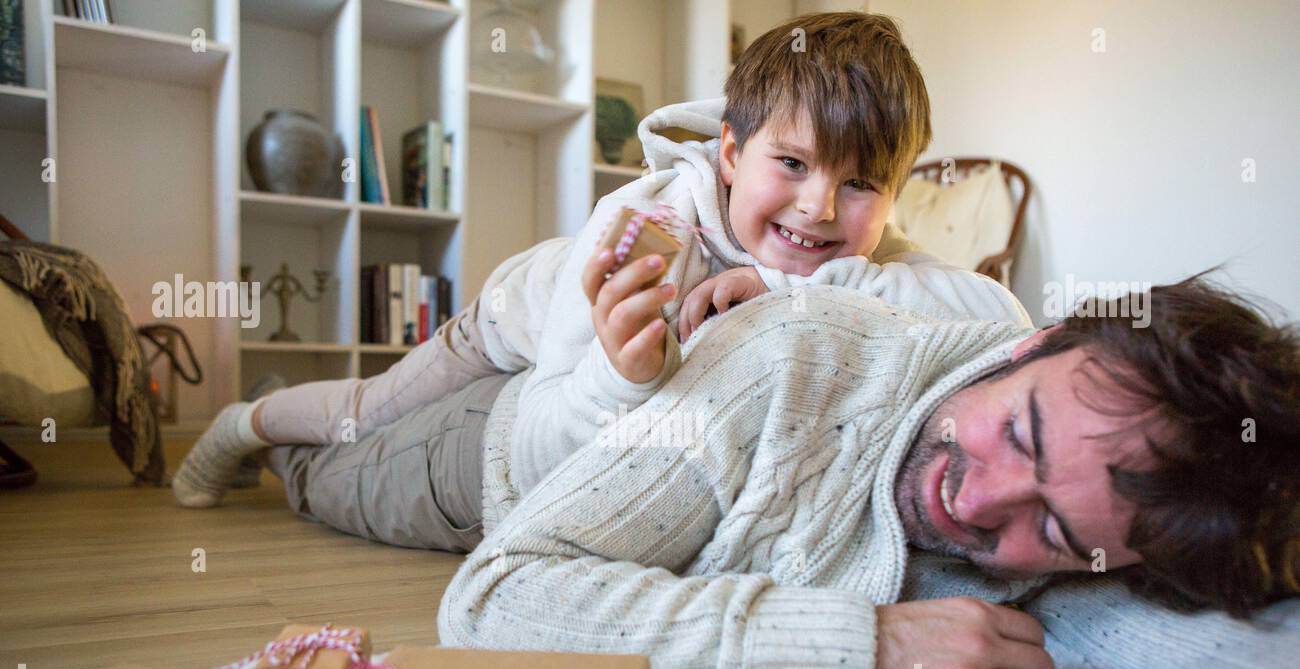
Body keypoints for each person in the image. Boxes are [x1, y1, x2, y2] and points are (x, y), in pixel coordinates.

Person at [172, 11, 1029, 509]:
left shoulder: (868, 253)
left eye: (861, 184)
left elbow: (1004, 322)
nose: (818, 207)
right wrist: (621, 373)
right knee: (370, 410)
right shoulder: (652, 221)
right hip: (511, 321)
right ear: (730, 152)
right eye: (793, 165)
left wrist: (776, 285)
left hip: (558, 358)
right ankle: (246, 423)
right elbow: (550, 419)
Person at [431, 272, 1300, 669]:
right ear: (1033, 343)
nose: (981, 502)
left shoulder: (1121, 516)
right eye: (1021, 433)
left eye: (1053, 527)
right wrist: (867, 649)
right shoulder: (788, 358)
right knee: (334, 453)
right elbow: (492, 598)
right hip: (489, 458)